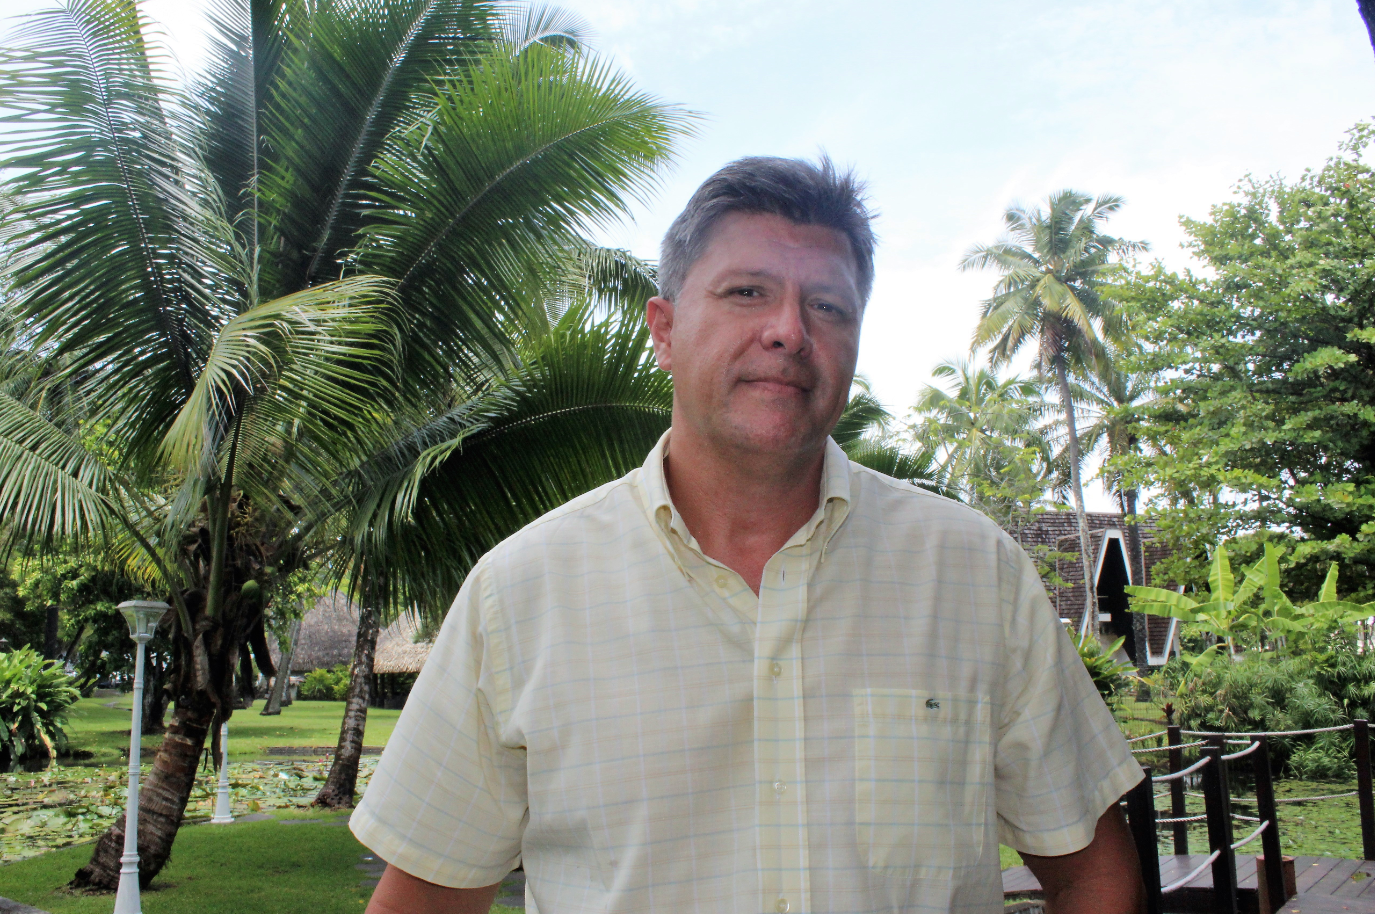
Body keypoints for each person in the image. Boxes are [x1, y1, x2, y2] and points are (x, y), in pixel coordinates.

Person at [352, 157, 1146, 914]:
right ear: (663, 331)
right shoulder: (520, 593)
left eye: (827, 307)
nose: (788, 331)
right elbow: (425, 896)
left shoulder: (973, 574)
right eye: (745, 292)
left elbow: (1092, 874)